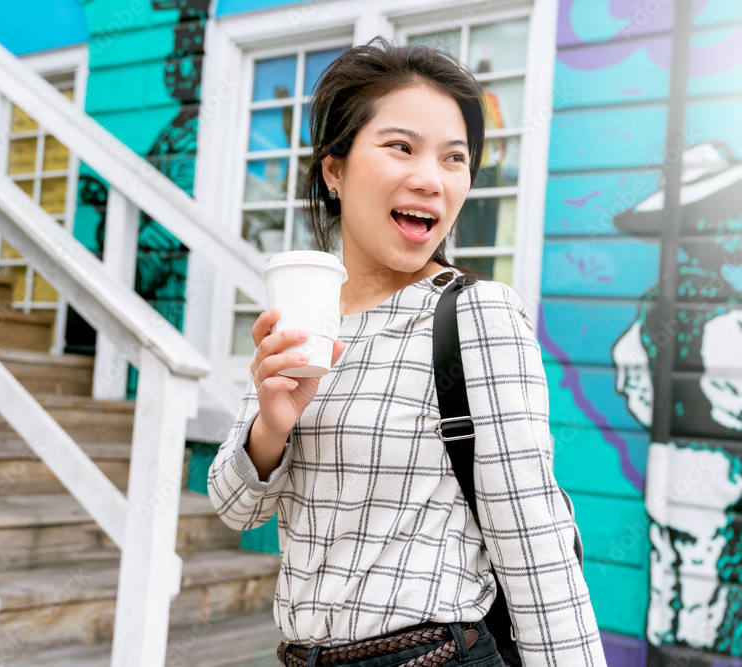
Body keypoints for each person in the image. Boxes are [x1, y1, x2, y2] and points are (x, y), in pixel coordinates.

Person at [208, 37, 607, 666]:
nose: (430, 178)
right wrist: (270, 426)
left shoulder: (476, 314)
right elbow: (234, 507)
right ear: (334, 170)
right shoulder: (305, 318)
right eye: (401, 147)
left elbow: (534, 540)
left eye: (455, 158)